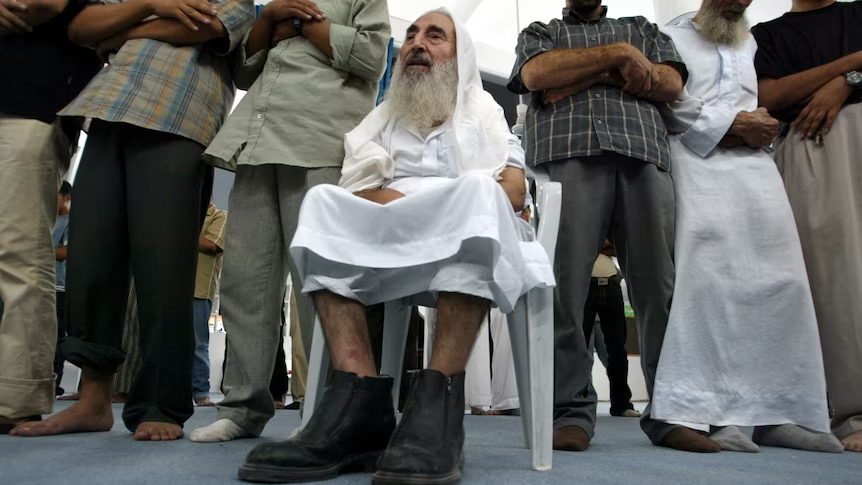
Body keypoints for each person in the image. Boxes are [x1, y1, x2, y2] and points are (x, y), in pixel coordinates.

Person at [233, 10, 555, 484]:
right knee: (322, 201)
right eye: (411, 36)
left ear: (461, 57)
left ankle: (438, 406)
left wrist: (431, 202)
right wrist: (418, 207)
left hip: (471, 230)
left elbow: (509, 191)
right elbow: (359, 188)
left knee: (476, 195)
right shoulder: (384, 117)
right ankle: (359, 404)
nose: (417, 44)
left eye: (434, 36)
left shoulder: (485, 113)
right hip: (394, 234)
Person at [11, 0, 254, 441]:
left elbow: (204, 26)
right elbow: (82, 28)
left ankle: (163, 403)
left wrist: (123, 33)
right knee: (91, 259)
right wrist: (150, 7)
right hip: (109, 110)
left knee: (164, 269)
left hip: (181, 116)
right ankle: (93, 400)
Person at [509, 0, 719, 453]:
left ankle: (672, 410)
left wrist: (587, 73)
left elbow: (671, 84)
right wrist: (620, 58)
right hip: (568, 153)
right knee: (563, 288)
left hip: (642, 154)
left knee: (659, 288)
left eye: (625, 52)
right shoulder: (540, 32)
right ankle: (569, 411)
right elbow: (537, 75)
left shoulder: (642, 27)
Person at [190, 0, 391, 443]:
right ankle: (242, 407)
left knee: (320, 287)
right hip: (257, 143)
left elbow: (372, 58)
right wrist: (267, 19)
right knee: (244, 282)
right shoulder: (276, 6)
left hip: (321, 141)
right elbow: (245, 74)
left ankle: (329, 407)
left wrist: (298, 25)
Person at [653, 0, 843, 454]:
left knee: (783, 280)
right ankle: (714, 412)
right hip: (696, 165)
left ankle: (781, 413)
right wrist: (734, 124)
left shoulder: (754, 43)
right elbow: (668, 107)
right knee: (710, 283)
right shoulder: (669, 38)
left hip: (757, 167)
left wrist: (755, 128)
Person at [751, 0, 862, 454]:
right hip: (814, 142)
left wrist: (847, 82)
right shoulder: (768, 34)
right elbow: (770, 96)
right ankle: (852, 412)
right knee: (835, 283)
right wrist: (853, 64)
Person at [0, 0, 102, 434]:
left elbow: (40, 4)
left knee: (19, 252)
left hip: (28, 102)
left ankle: (16, 396)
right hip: (25, 99)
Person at [583, 243, 639, 418]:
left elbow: (617, 245)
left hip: (610, 281)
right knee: (580, 352)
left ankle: (621, 404)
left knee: (617, 350)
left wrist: (597, 245)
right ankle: (579, 404)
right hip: (583, 282)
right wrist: (599, 245)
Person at [193, 199, 227, 407]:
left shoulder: (219, 215)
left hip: (200, 290)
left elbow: (213, 244)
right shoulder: (186, 215)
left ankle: (200, 392)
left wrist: (181, 233)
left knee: (198, 344)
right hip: (175, 289)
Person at [53, 181, 73, 396]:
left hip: (59, 288)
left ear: (67, 197)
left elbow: (67, 252)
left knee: (56, 337)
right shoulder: (44, 220)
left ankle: (53, 380)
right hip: (39, 285)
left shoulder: (70, 221)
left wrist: (38, 248)